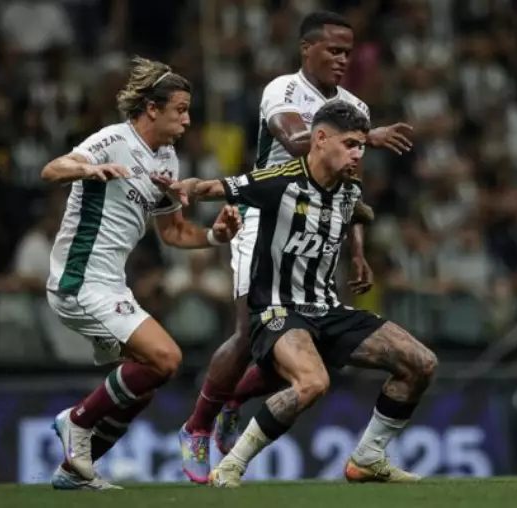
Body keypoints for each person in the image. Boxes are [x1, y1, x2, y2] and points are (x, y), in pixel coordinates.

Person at [178, 10, 415, 483]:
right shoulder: (283, 91)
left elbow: (351, 184)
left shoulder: (354, 107)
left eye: (348, 52)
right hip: (266, 212)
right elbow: (294, 142)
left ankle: (234, 400)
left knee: (306, 334)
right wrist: (367, 136)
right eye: (334, 50)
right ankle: (198, 426)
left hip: (317, 224)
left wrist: (357, 249)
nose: (343, 60)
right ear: (307, 49)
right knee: (250, 331)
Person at [40, 56, 241, 490]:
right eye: (180, 110)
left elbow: (174, 232)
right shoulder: (113, 139)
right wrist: (88, 169)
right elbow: (52, 169)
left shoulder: (166, 160)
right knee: (166, 358)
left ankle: (75, 470)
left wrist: (216, 236)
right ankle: (76, 421)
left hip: (111, 285)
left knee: (143, 385)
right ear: (152, 108)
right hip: (79, 280)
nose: (187, 120)